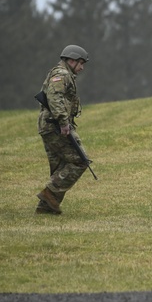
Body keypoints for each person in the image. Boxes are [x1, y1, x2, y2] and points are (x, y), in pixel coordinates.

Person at [35, 45, 91, 215]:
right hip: (55, 125)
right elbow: (55, 97)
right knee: (79, 161)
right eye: (80, 63)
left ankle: (46, 207)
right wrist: (63, 121)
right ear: (71, 60)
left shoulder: (63, 74)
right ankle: (49, 194)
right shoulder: (62, 74)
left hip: (52, 125)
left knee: (60, 166)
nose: (82, 68)